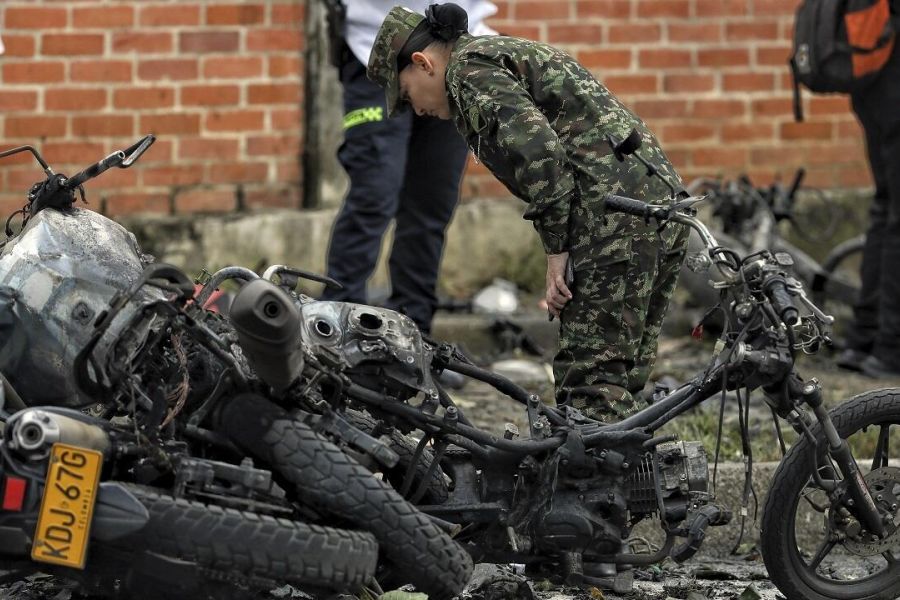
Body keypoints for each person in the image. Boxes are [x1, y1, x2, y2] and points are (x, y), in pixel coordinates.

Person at [367, 3, 689, 422]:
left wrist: (557, 252)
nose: (417, 110)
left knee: (590, 387)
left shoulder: (468, 71)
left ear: (422, 62)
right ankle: (637, 481)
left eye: (407, 95)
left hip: (615, 218)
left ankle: (594, 483)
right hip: (657, 206)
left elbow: (541, 156)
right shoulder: (495, 55)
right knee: (623, 377)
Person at [321, 0, 497, 336]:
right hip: (372, 49)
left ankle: (413, 339)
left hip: (456, 51)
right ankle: (334, 332)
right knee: (374, 194)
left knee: (432, 204)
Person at [836, 4, 900, 377]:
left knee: (885, 208)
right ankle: (889, 348)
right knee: (896, 218)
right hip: (892, 85)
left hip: (875, 87)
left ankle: (863, 340)